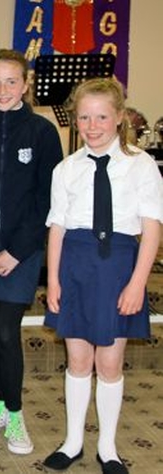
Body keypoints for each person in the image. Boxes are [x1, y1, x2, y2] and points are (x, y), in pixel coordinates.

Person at [42, 78, 163, 474]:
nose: (92, 126)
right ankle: (73, 440)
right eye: (84, 117)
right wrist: (55, 280)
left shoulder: (140, 165)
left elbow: (151, 229)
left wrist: (137, 283)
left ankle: (107, 447)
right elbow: (56, 228)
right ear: (74, 120)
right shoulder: (66, 169)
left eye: (101, 117)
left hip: (119, 269)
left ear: (119, 118)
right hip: (75, 267)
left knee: (110, 363)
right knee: (78, 360)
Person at [0, 49, 62, 455]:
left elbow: (47, 200)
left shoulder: (42, 133)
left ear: (26, 84)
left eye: (11, 81)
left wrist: (15, 252)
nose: (3, 90)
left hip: (21, 254)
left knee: (7, 330)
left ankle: (16, 412)